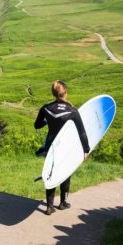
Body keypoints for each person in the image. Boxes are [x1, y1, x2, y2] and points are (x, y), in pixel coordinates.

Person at [34, 80, 90, 215]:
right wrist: (86, 150)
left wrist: (48, 120)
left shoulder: (46, 108)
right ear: (65, 92)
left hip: (50, 146)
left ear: (54, 93)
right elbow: (82, 132)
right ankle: (63, 203)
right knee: (65, 173)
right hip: (65, 147)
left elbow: (37, 125)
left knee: (51, 173)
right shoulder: (72, 111)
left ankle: (49, 206)